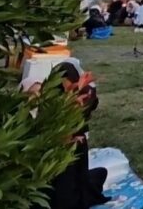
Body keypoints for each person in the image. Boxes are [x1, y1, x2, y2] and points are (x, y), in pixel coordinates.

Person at [42, 63, 109, 209]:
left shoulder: (83, 95)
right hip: (55, 154)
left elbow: (87, 107)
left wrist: (78, 92)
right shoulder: (49, 100)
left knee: (89, 180)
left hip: (72, 153)